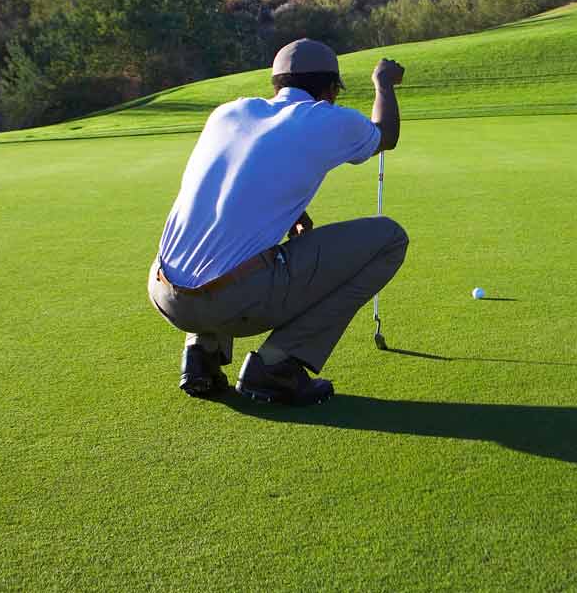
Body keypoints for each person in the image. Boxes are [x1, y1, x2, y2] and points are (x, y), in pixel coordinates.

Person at [148, 39, 406, 405]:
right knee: (390, 239)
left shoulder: (228, 113)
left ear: (277, 84)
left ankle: (201, 355)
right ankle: (276, 365)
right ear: (330, 91)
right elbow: (386, 135)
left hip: (164, 293)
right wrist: (382, 82)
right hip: (231, 302)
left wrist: (290, 212)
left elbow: (235, 183)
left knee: (217, 245)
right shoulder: (325, 118)